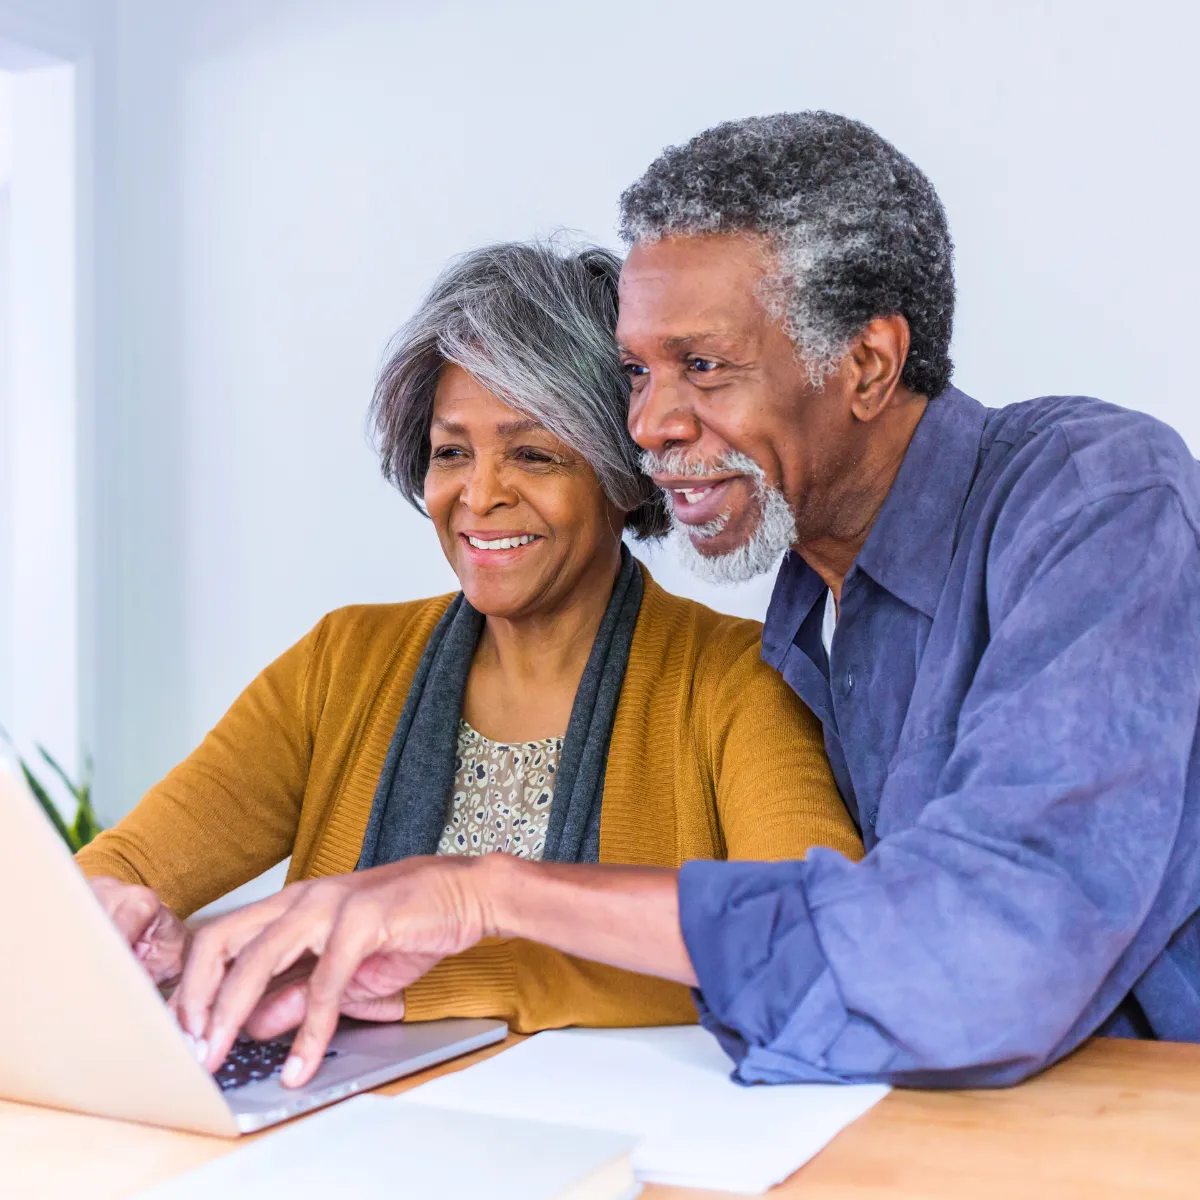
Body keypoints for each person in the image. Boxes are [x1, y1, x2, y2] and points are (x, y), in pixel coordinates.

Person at [173, 112, 1200, 1093]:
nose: (652, 423)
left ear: (868, 364)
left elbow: (979, 953)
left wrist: (484, 894)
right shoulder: (811, 606)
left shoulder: (1096, 497)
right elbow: (837, 962)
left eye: (701, 366)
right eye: (636, 373)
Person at [76, 239, 862, 1037]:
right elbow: (120, 870)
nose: (479, 495)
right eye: (452, 452)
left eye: (532, 454)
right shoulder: (341, 664)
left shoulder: (738, 682)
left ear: (624, 473)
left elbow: (816, 945)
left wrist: (406, 980)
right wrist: (121, 918)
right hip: (340, 1126)